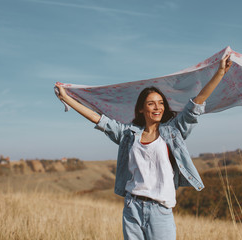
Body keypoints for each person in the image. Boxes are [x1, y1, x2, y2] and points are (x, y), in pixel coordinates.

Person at [55, 54, 232, 240]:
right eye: (151, 103)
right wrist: (67, 99)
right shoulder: (128, 135)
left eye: (161, 103)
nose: (157, 107)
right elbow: (98, 119)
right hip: (132, 208)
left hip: (160, 211)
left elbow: (196, 104)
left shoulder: (173, 131)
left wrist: (219, 73)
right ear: (141, 109)